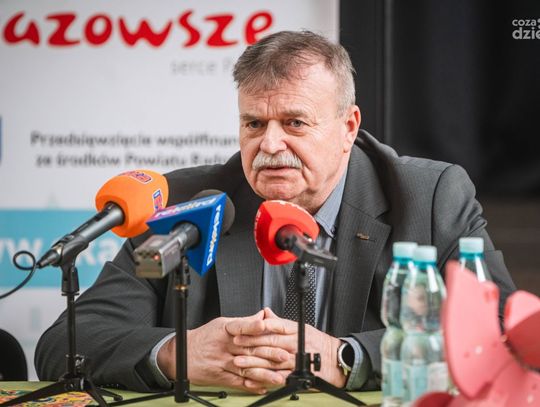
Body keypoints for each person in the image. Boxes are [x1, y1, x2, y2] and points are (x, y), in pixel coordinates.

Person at [35, 30, 516, 395]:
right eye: (253, 123)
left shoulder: (429, 196)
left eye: (294, 123)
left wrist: (346, 358)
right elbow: (64, 345)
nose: (269, 145)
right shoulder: (186, 203)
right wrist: (179, 353)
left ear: (348, 128)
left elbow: (500, 332)